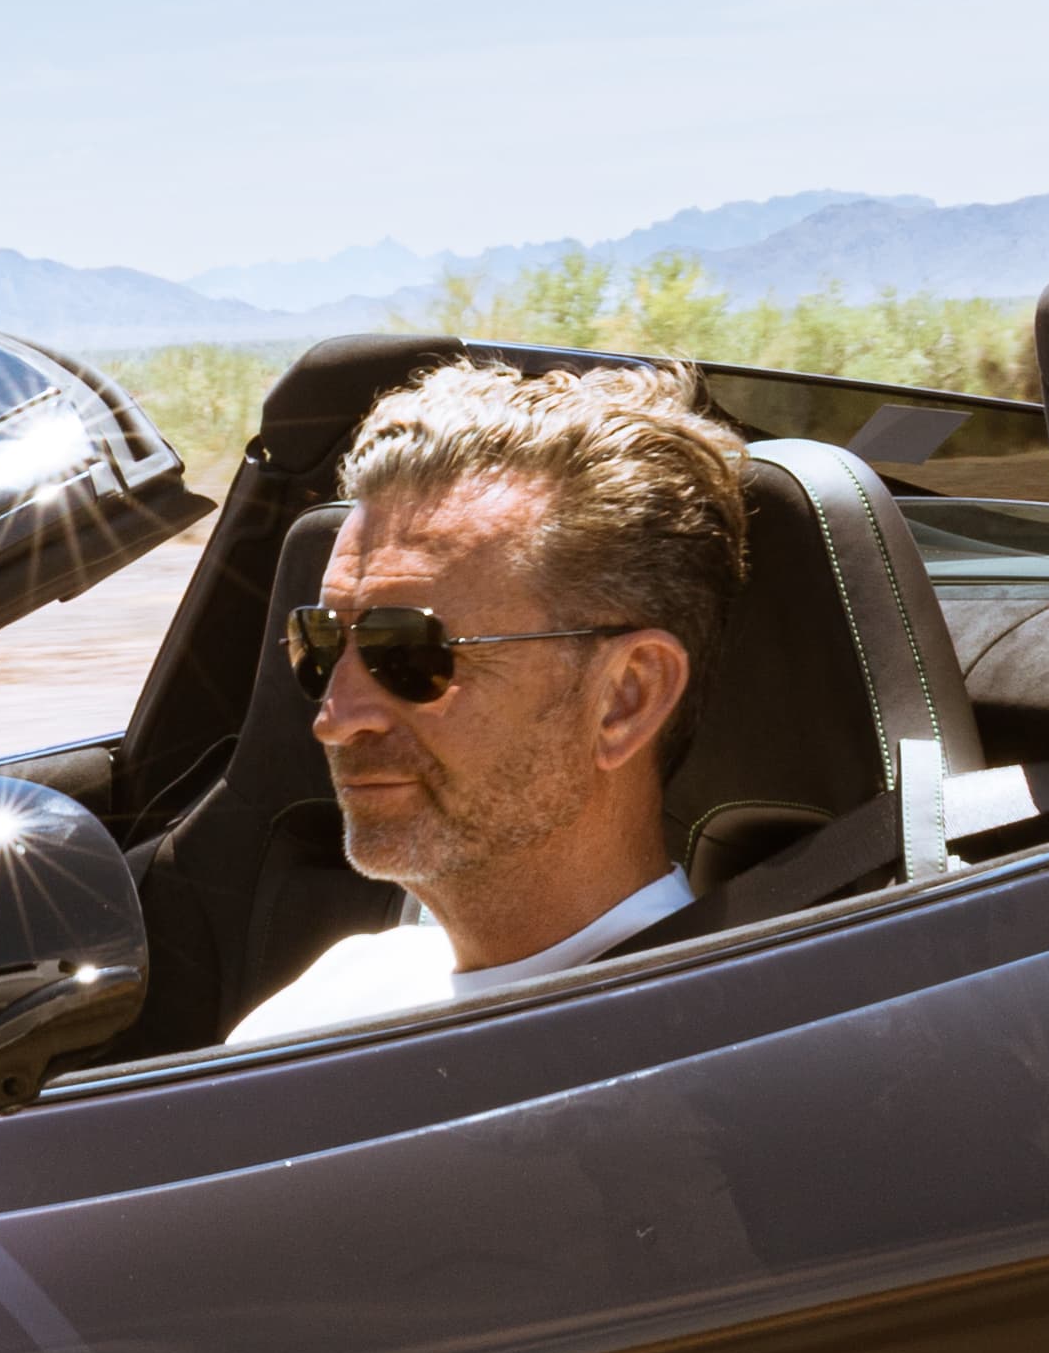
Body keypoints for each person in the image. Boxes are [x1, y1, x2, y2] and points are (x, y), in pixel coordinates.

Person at [230, 358, 752, 1044]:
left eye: (408, 652)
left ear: (626, 698)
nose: (336, 718)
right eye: (320, 643)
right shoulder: (345, 982)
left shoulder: (709, 1052)